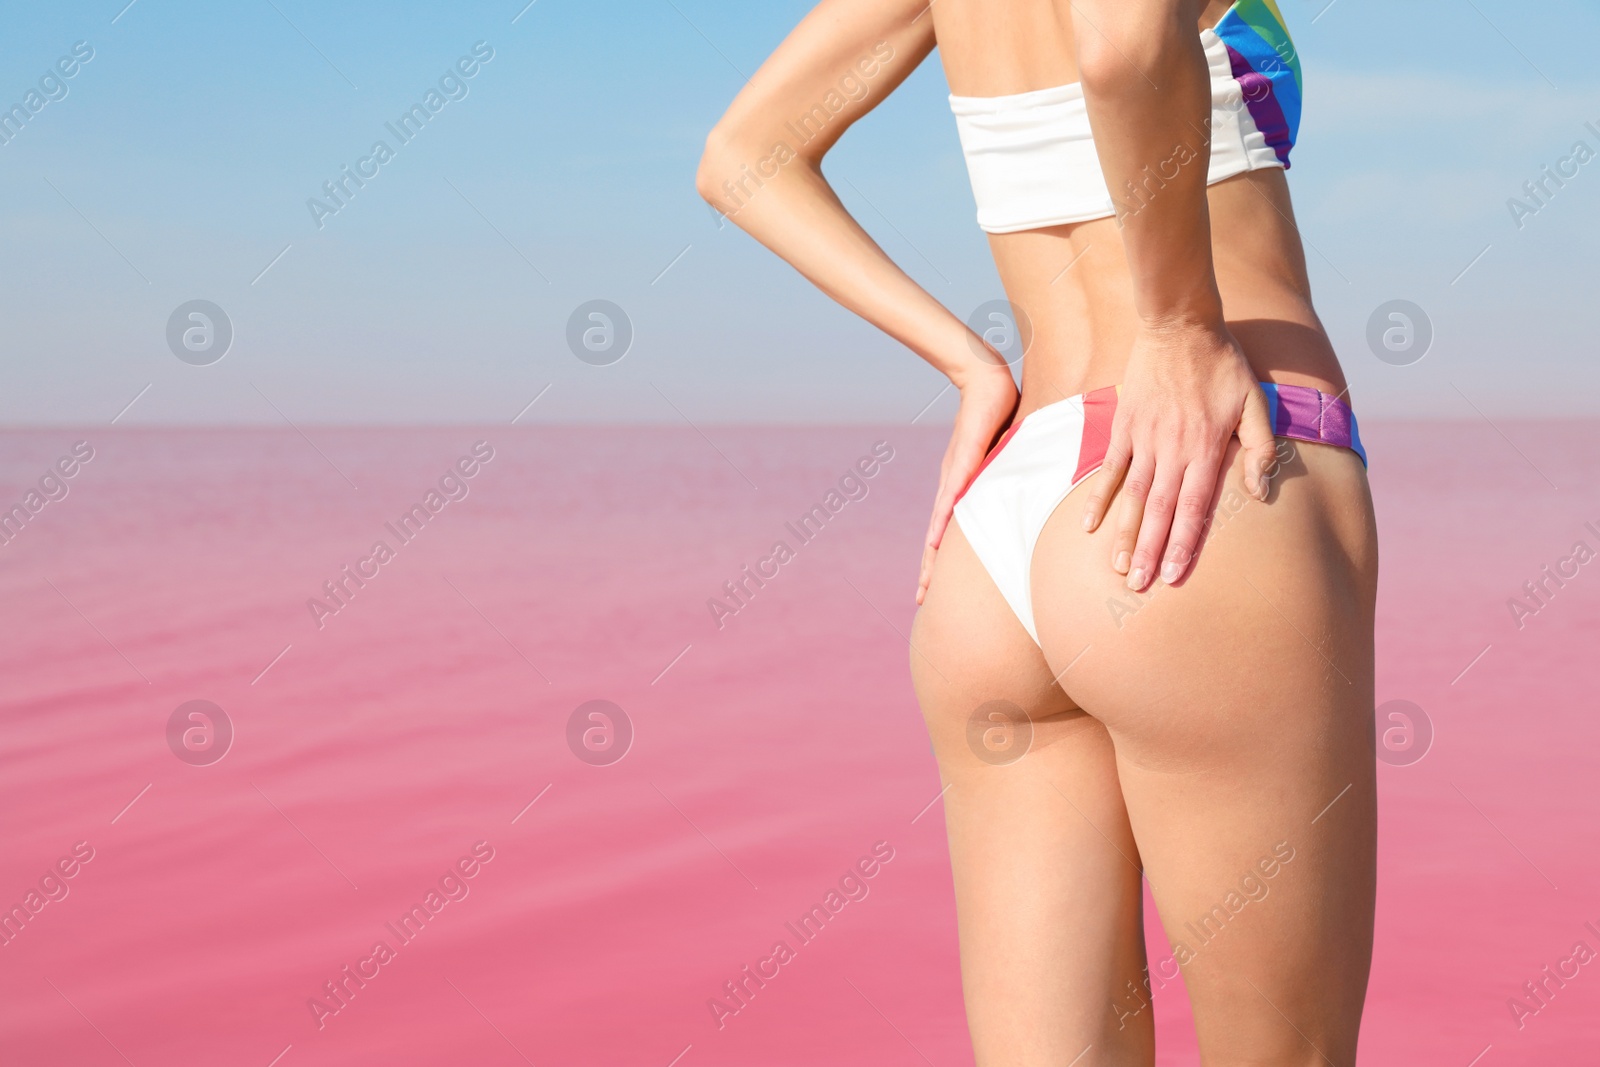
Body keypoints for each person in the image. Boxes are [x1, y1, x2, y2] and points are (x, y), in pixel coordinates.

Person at [697, 0, 1377, 1062]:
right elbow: (1118, 43)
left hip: (1009, 522)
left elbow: (741, 155)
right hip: (1193, 480)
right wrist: (1180, 325)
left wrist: (968, 363)